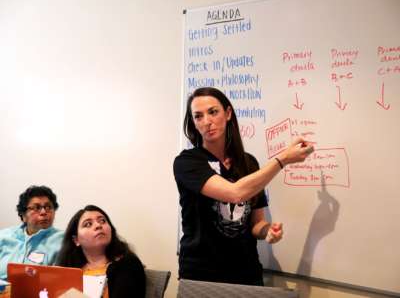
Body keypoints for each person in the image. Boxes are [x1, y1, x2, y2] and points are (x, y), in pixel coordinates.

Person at [173, 87, 314, 285]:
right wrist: (283, 160)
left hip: (245, 272)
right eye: (198, 116)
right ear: (194, 123)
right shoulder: (187, 162)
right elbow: (235, 193)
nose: (206, 122)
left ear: (228, 113)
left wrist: (268, 232)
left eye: (213, 112)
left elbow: (256, 223)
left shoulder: (248, 163)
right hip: (202, 275)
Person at [57, 205, 146, 298]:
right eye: (88, 224)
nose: (98, 225)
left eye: (102, 221)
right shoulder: (69, 269)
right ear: (76, 240)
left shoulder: (127, 263)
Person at [0, 185, 63, 280]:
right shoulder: (4, 236)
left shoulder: (62, 240)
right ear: (23, 215)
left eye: (48, 207)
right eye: (37, 207)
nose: (43, 212)